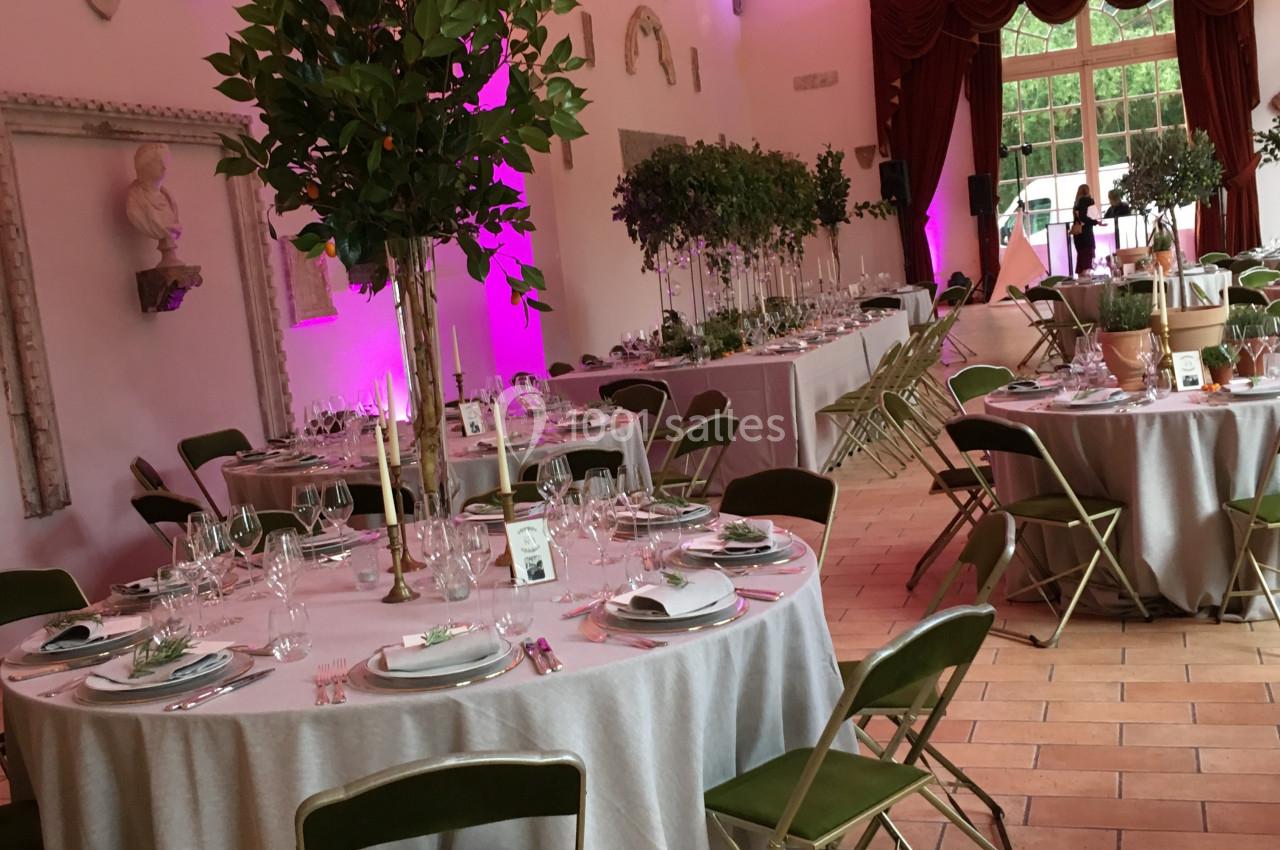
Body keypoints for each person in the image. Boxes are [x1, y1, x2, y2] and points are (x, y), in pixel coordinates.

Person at [1072, 183, 1103, 275]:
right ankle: (1086, 282)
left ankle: (1081, 282)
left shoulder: (1076, 203)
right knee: (1088, 264)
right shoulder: (1088, 201)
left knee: (1081, 262)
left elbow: (1079, 218)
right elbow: (1084, 218)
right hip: (1086, 235)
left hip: (1078, 235)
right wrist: (1096, 222)